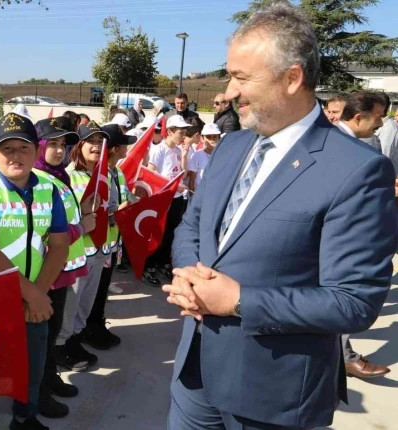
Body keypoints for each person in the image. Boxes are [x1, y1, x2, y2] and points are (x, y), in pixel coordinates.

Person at [163, 4, 397, 429]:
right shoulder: (232, 147)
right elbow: (192, 227)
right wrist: (188, 277)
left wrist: (237, 301)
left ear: (292, 78)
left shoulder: (357, 169)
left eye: (241, 77)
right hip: (193, 378)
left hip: (273, 396)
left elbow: (353, 301)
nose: (230, 91)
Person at [0, 112, 69, 430]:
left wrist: (37, 293)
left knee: (31, 368)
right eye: (6, 148)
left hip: (33, 300)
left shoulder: (49, 190)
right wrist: (32, 295)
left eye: (23, 148)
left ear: (36, 151)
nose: (15, 155)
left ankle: (25, 419)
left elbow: (60, 246)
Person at [33, 118, 94, 419]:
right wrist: (82, 227)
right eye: (52, 144)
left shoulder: (58, 177)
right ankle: (39, 394)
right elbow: (45, 231)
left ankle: (49, 379)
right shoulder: (39, 181)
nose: (58, 150)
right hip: (48, 270)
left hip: (64, 267)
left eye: (62, 144)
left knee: (52, 331)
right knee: (44, 335)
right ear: (38, 147)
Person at [332, 91, 393, 379]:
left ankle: (342, 355)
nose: (381, 124)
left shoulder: (337, 141)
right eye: (378, 118)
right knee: (344, 298)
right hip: (343, 243)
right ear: (358, 117)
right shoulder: (353, 151)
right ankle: (342, 358)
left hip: (336, 239)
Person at [55, 122, 112, 373]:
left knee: (85, 305)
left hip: (99, 250)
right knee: (70, 305)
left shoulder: (104, 174)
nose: (97, 147)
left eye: (101, 143)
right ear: (80, 146)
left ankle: (75, 341)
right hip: (78, 253)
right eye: (92, 142)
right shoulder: (69, 176)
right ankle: (61, 347)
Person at [82, 123, 136, 350]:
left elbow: (123, 196)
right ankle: (88, 329)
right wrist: (117, 212)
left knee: (102, 288)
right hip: (96, 243)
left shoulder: (117, 172)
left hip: (112, 241)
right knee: (92, 291)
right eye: (123, 145)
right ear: (113, 149)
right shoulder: (95, 175)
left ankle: (98, 323)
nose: (127, 149)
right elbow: (98, 209)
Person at [143, 115, 190, 287]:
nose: (183, 135)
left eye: (185, 132)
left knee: (170, 233)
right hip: (162, 199)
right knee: (157, 234)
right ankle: (148, 267)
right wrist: (170, 186)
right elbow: (151, 175)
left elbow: (182, 174)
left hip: (176, 198)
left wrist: (184, 155)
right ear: (169, 132)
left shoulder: (178, 150)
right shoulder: (159, 150)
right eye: (180, 132)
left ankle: (162, 263)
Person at [187, 123, 220, 192]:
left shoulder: (223, 156)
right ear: (202, 138)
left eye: (214, 137)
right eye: (208, 137)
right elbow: (192, 180)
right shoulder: (196, 156)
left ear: (219, 138)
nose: (212, 140)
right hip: (200, 194)